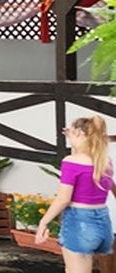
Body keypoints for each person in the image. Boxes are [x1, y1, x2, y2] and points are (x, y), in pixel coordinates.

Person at [36, 116, 115, 273]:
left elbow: (63, 199)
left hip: (79, 222)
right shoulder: (105, 161)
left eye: (71, 132)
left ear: (79, 133)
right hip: (103, 222)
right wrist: (74, 137)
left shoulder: (71, 162)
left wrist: (43, 222)